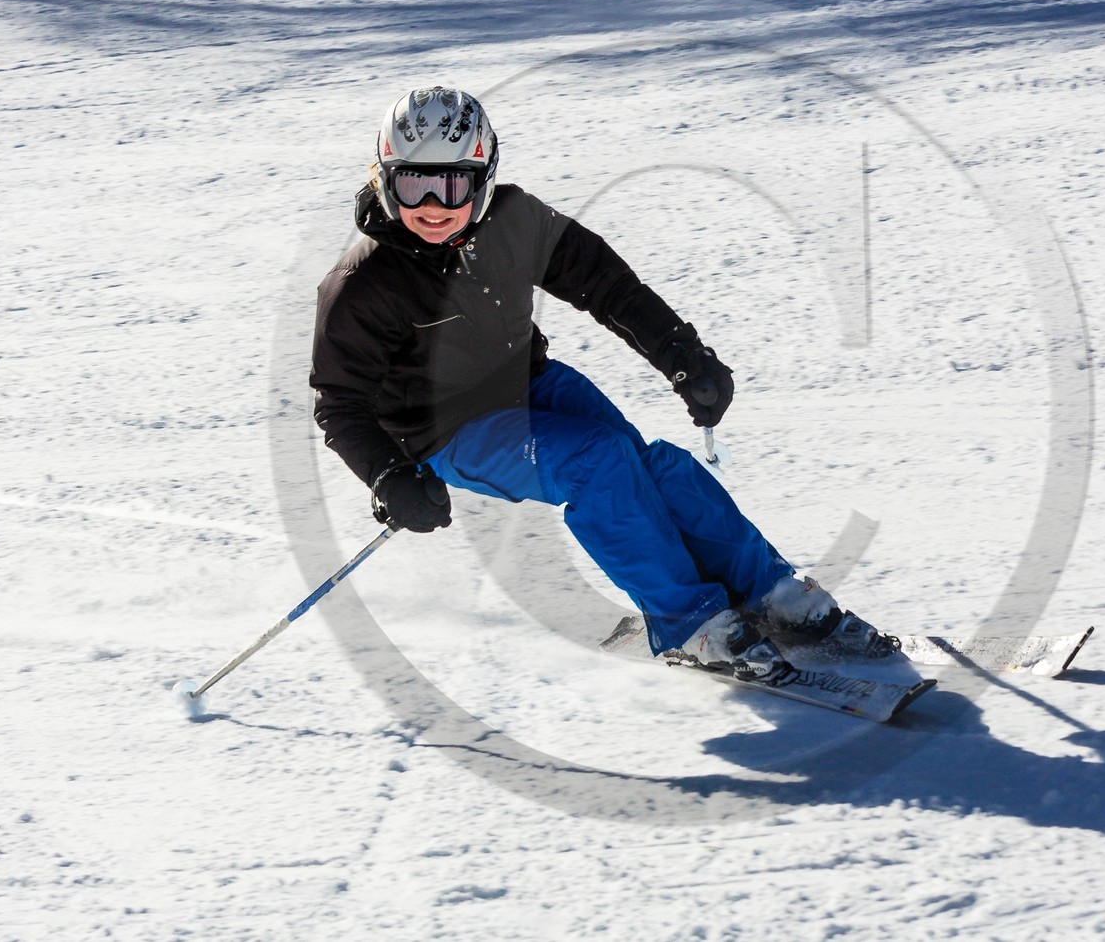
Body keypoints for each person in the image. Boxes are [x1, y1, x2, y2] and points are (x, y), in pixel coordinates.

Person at [310, 86, 887, 680]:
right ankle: (690, 623)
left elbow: (605, 283)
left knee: (648, 464)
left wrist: (682, 356)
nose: (433, 205)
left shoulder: (514, 221)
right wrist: (389, 476)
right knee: (599, 463)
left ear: (483, 179)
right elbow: (339, 403)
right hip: (446, 430)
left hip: (529, 382)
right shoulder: (362, 285)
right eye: (413, 185)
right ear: (385, 180)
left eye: (453, 185)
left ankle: (768, 591)